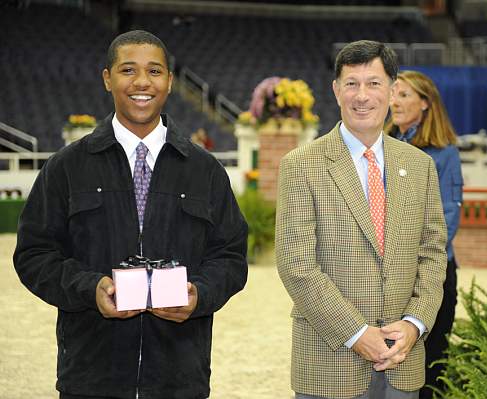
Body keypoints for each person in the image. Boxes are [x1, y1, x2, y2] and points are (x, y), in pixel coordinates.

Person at [13, 30, 248, 399]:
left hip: (180, 379)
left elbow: (230, 257)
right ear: (108, 78)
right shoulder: (66, 167)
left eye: (155, 71)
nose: (142, 82)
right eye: (128, 70)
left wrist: (199, 295)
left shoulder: (205, 171)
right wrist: (91, 288)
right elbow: (34, 255)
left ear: (170, 82)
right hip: (90, 378)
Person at [276, 40, 447, 399]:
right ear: (336, 91)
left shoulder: (420, 166)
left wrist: (415, 324)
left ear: (391, 89)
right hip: (328, 363)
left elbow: (432, 254)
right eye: (351, 83)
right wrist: (356, 333)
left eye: (374, 83)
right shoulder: (302, 165)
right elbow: (297, 264)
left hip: (402, 360)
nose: (362, 95)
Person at [386, 70, 463, 399]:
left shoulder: (444, 153)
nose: (394, 101)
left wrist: (404, 257)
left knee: (430, 365)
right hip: (386, 273)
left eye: (404, 95)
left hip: (431, 274)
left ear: (426, 103)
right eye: (394, 93)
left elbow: (447, 219)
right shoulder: (381, 146)